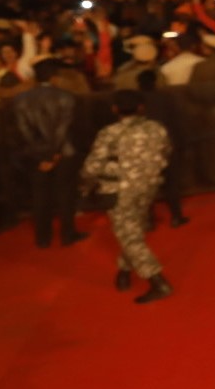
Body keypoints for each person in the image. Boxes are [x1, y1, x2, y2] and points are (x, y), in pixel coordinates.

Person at [81, 89, 175, 304]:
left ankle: (158, 281)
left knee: (129, 235)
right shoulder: (156, 128)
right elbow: (167, 151)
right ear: (141, 107)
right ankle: (124, 271)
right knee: (133, 230)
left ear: (114, 109)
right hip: (149, 186)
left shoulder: (110, 133)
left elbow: (92, 167)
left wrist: (85, 184)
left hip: (120, 190)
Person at [11, 58, 86, 248]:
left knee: (39, 194)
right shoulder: (66, 97)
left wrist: (42, 157)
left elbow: (24, 132)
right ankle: (68, 234)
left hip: (35, 154)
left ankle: (43, 238)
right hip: (63, 153)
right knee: (65, 193)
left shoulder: (20, 99)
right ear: (54, 78)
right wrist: (53, 155)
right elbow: (63, 129)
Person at [136, 70, 191, 227]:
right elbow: (176, 121)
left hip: (144, 147)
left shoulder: (137, 101)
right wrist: (181, 142)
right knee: (172, 183)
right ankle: (176, 216)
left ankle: (149, 219)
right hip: (167, 144)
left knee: (146, 184)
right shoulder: (166, 97)